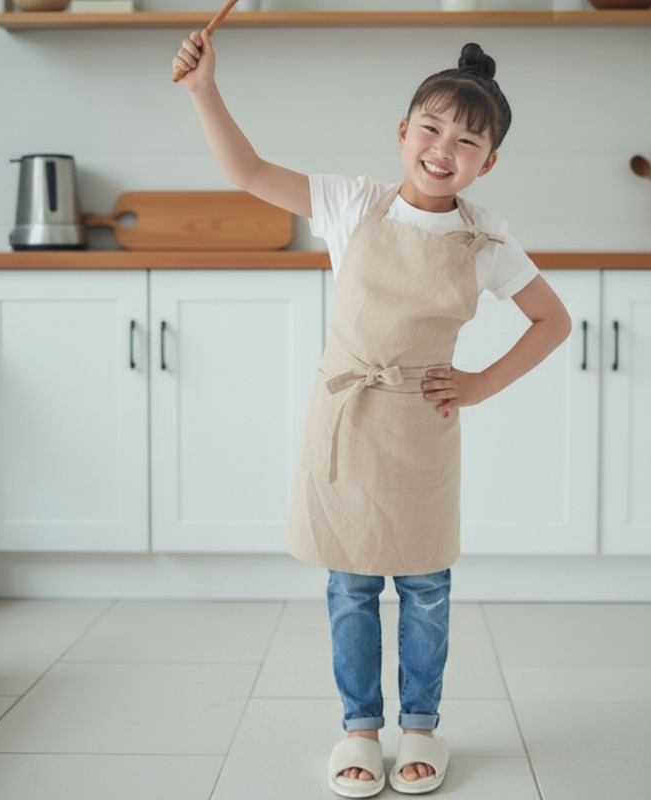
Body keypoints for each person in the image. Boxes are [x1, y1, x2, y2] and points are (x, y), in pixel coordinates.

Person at [173, 34, 571, 797]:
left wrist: (483, 383)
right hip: (349, 424)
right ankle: (360, 729)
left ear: (488, 162)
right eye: (431, 128)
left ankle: (420, 726)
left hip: (422, 432)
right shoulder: (352, 202)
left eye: (468, 140)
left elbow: (553, 321)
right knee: (351, 586)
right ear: (402, 132)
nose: (443, 148)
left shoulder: (487, 239)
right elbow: (247, 171)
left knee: (426, 587)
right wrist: (203, 91)